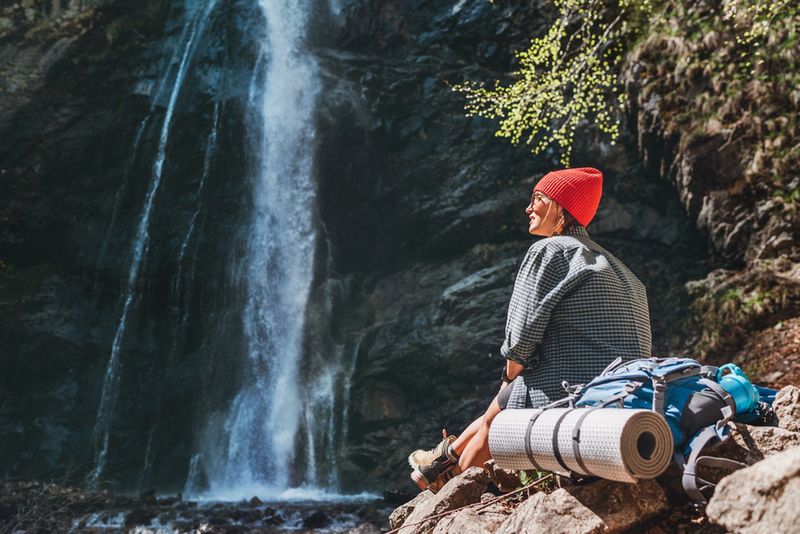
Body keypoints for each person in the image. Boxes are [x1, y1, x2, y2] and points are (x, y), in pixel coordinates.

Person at [408, 167, 652, 493]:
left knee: (506, 398)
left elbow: (520, 342)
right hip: (625, 396)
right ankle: (444, 458)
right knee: (510, 392)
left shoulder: (550, 251)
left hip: (578, 396)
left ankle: (453, 490)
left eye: (537, 198)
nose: (528, 207)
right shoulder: (626, 272)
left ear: (559, 206)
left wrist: (509, 378)